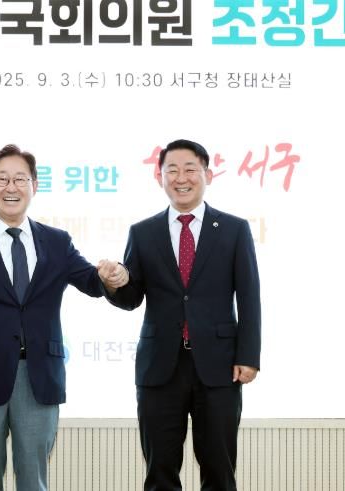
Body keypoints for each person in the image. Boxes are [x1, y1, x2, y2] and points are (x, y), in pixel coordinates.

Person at [0, 144, 127, 491]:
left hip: (39, 376)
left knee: (34, 480)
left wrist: (111, 276)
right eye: (2, 179)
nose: (10, 187)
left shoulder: (56, 242)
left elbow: (91, 281)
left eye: (19, 179)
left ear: (34, 185)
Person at [106, 139, 261, 491]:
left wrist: (249, 356)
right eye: (171, 170)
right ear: (160, 177)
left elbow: (250, 296)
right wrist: (115, 283)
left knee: (219, 470)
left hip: (220, 367)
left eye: (190, 169)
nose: (181, 178)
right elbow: (131, 297)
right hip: (160, 367)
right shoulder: (143, 232)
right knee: (160, 471)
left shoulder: (234, 229)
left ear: (207, 174)